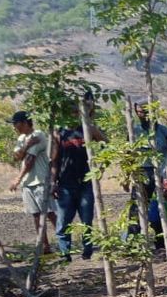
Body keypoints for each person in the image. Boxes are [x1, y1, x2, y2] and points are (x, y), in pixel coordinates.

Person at [53, 95, 105, 262]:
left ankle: (87, 251)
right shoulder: (58, 133)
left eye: (75, 112)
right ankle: (64, 253)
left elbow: (107, 143)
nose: (72, 115)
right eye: (69, 112)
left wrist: (100, 168)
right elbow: (53, 160)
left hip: (86, 183)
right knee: (63, 222)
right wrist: (53, 182)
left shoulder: (87, 129)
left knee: (86, 220)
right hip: (65, 184)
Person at [130, 100, 167, 231]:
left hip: (158, 174)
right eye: (138, 112)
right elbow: (128, 155)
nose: (141, 115)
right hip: (140, 174)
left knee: (160, 207)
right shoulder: (133, 132)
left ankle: (162, 239)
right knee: (136, 208)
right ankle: (133, 240)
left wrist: (165, 162)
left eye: (143, 112)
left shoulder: (165, 132)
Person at [7, 111, 56, 252]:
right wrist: (26, 145)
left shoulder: (38, 135)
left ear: (23, 122)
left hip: (40, 180)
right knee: (35, 215)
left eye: (15, 123)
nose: (14, 127)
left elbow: (29, 160)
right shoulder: (23, 138)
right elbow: (17, 156)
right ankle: (45, 246)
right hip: (28, 183)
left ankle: (65, 241)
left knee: (50, 213)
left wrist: (17, 179)